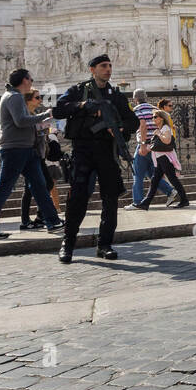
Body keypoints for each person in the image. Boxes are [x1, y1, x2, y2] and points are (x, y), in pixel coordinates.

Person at [53, 54, 138, 263]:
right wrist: (83, 106)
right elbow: (58, 109)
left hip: (107, 152)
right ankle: (68, 243)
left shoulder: (116, 96)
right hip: (83, 150)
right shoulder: (78, 90)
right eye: (103, 66)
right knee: (78, 198)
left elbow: (133, 122)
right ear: (92, 69)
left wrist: (119, 127)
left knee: (110, 199)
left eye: (109, 66)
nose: (108, 69)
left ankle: (105, 244)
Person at [0, 68, 64, 240]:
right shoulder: (15, 96)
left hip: (25, 149)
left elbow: (23, 122)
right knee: (4, 187)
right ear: (24, 80)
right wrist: (45, 115)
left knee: (40, 185)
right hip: (15, 149)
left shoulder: (12, 96)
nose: (32, 82)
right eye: (31, 79)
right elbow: (21, 121)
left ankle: (53, 221)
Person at [127, 88, 175, 209]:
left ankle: (137, 201)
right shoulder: (155, 109)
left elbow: (142, 125)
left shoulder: (137, 109)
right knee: (151, 173)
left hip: (145, 144)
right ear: (146, 97)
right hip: (156, 145)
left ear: (135, 99)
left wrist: (143, 144)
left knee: (137, 174)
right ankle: (170, 191)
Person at [134, 109, 190, 210]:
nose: (153, 119)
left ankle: (184, 200)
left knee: (172, 179)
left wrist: (158, 134)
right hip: (160, 158)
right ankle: (146, 202)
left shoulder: (165, 128)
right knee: (155, 180)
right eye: (153, 117)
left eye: (155, 117)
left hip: (165, 158)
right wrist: (148, 148)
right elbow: (157, 146)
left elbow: (167, 141)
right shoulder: (160, 128)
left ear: (161, 118)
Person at [22, 107, 62, 229]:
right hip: (32, 157)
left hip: (39, 158)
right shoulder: (30, 122)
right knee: (30, 190)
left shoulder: (45, 132)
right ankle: (27, 220)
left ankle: (40, 216)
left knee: (46, 185)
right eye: (37, 97)